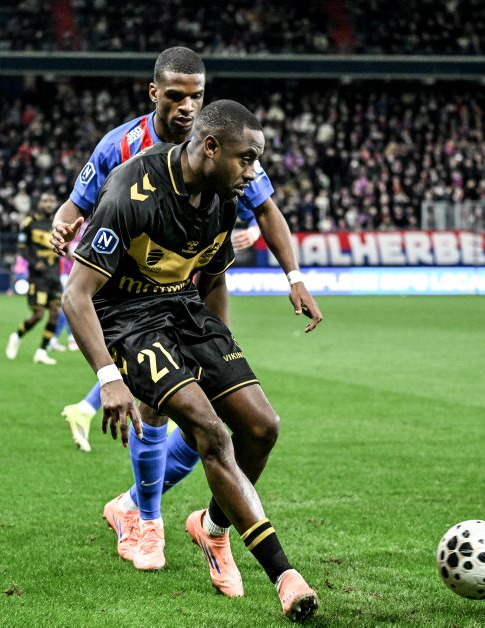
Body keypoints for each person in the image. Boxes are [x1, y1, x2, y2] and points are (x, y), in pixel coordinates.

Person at [50, 49, 321, 569]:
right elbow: (75, 204)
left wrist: (294, 276)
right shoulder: (121, 147)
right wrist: (62, 226)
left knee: (216, 419)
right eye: (176, 96)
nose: (187, 107)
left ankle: (138, 505)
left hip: (188, 287)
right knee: (163, 408)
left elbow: (265, 207)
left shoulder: (225, 146)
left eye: (196, 96)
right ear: (154, 93)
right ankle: (147, 520)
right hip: (128, 297)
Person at [4, 191, 63, 366]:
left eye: (51, 201)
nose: (48, 204)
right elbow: (22, 248)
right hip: (38, 277)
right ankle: (17, 336)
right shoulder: (30, 223)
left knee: (55, 312)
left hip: (54, 274)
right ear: (39, 203)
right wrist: (35, 262)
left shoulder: (58, 222)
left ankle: (42, 352)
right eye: (45, 201)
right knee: (38, 314)